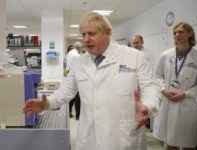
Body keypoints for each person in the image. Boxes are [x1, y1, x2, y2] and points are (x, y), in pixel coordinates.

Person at [23, 12, 159, 150]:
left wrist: (146, 106)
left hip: (123, 138)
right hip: (89, 139)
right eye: (83, 35)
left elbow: (150, 88)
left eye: (91, 34)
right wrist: (48, 103)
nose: (86, 39)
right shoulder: (79, 62)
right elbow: (67, 91)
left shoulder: (134, 57)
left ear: (107, 32)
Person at [153, 22, 197, 150]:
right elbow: (157, 76)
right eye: (175, 33)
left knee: (188, 143)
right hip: (168, 102)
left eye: (181, 32)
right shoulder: (166, 55)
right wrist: (163, 89)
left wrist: (186, 93)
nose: (177, 35)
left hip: (186, 105)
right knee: (170, 142)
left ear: (190, 33)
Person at [66, 42, 82, 120]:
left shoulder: (69, 53)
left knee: (72, 94)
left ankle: (69, 112)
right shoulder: (77, 55)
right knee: (77, 96)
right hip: (76, 75)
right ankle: (78, 115)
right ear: (79, 48)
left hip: (70, 74)